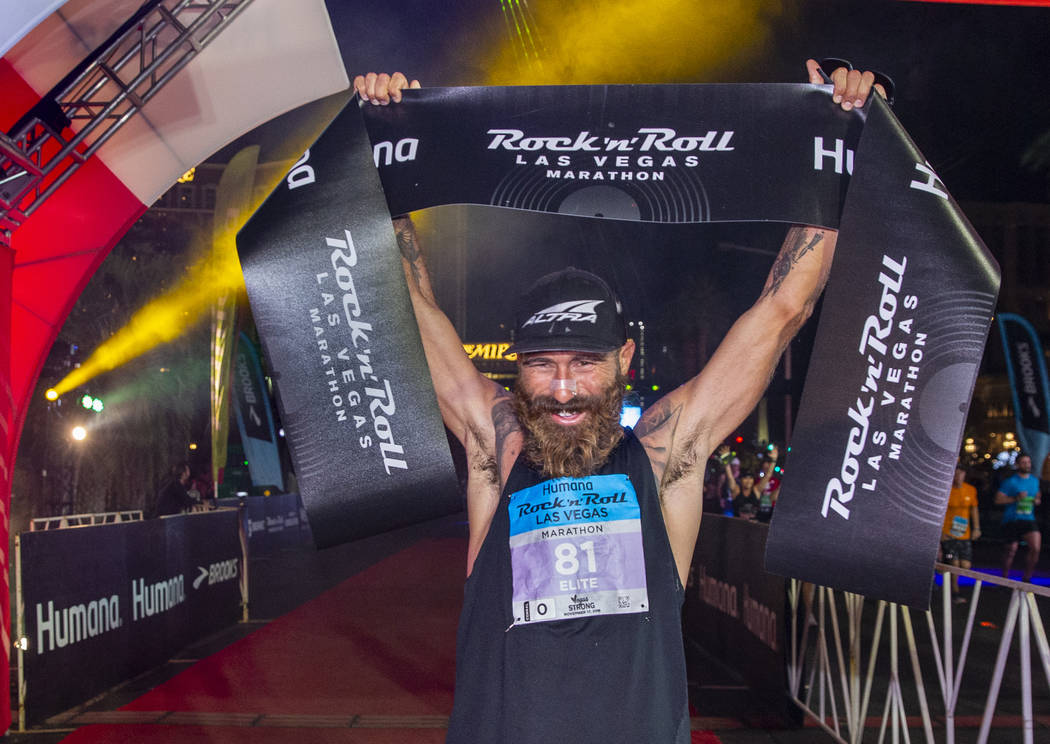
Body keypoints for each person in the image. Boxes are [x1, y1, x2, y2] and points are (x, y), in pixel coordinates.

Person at [354, 60, 885, 744]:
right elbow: (412, 307)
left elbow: (783, 308)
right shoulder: (500, 444)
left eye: (585, 364)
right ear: (519, 368)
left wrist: (840, 144)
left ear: (625, 361)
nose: (565, 389)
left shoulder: (666, 455)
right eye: (543, 367)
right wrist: (386, 156)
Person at [995, 453, 1042, 582]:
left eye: (1028, 462)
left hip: (1028, 519)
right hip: (1012, 519)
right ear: (1017, 464)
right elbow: (998, 500)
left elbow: (1037, 495)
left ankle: (1027, 578)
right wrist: (1015, 498)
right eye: (1023, 462)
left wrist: (1037, 500)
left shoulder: (1034, 480)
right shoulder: (1010, 482)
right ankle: (1004, 578)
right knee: (1011, 550)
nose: (1027, 465)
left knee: (1036, 548)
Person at [940, 461, 981, 602]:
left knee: (965, 566)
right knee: (954, 565)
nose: (958, 476)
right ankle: (955, 592)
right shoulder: (946, 490)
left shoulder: (970, 490)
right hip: (948, 533)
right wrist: (939, 533)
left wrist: (976, 527)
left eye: (960, 473)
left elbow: (974, 509)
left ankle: (945, 563)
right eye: (955, 474)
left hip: (964, 533)